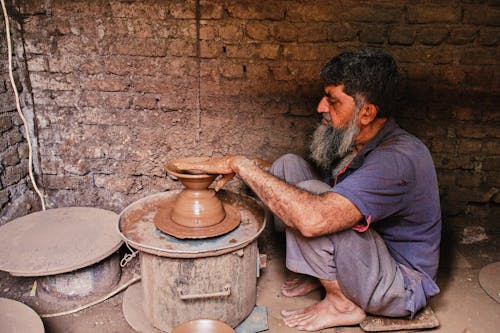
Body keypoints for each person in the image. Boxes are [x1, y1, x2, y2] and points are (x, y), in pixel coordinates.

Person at [172, 48, 441, 331]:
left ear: (367, 113)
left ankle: (342, 304)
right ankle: (318, 274)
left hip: (398, 283)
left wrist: (240, 166)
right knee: (288, 167)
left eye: (333, 101)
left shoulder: (397, 159)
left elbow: (314, 218)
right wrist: (256, 169)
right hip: (367, 252)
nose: (321, 107)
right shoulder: (361, 139)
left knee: (309, 201)